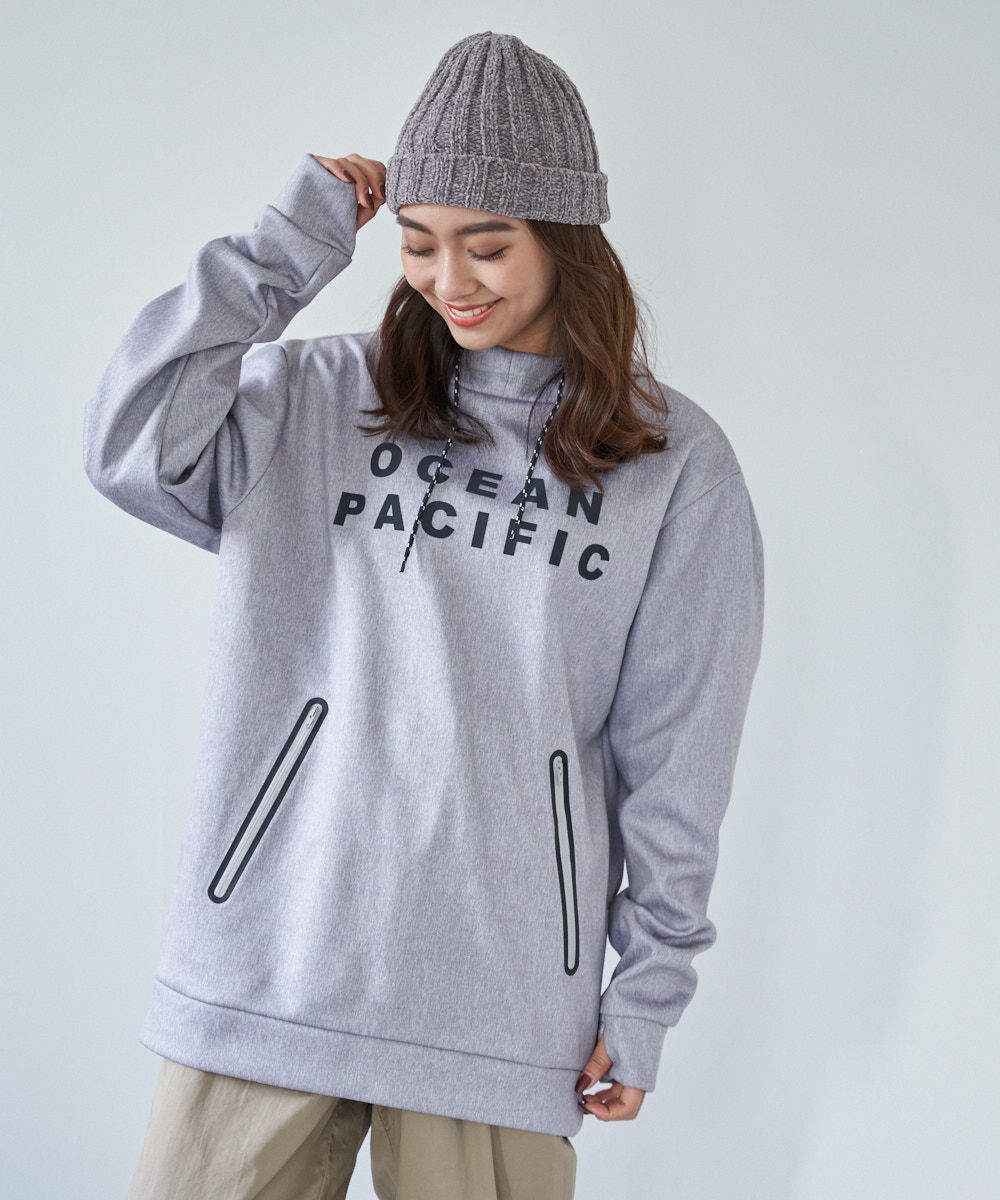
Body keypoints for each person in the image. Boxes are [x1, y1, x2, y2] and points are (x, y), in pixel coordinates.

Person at [83, 30, 765, 1200]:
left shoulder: (670, 463)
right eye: (418, 243)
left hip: (499, 1004)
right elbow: (131, 444)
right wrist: (282, 250)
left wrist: (647, 991)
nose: (451, 280)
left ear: (566, 239)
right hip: (269, 970)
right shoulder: (313, 398)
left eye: (487, 246)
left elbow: (679, 752)